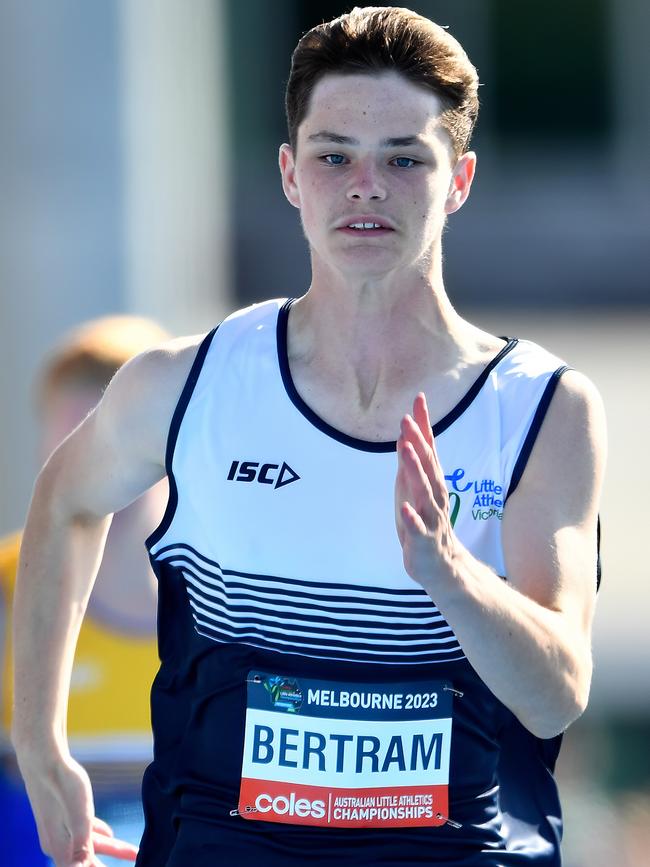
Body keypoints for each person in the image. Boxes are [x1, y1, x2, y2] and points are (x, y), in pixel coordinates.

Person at [12, 7, 606, 866]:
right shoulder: (191, 384)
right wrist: (41, 741)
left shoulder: (541, 407)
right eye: (334, 156)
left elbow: (556, 696)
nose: (366, 185)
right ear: (291, 174)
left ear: (460, 179)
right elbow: (65, 502)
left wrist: (450, 571)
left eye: (405, 158)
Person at [2, 316, 170, 865]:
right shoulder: (5, 593)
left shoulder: (241, 592)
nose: (94, 463)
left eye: (109, 437)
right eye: (72, 437)